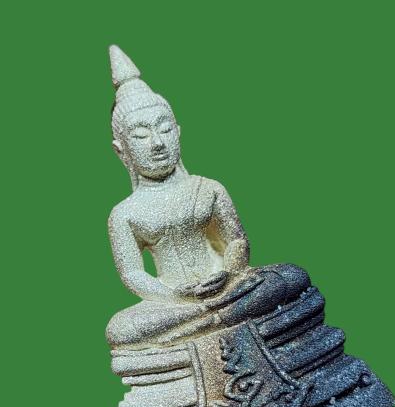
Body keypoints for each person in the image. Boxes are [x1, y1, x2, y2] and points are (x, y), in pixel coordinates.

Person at [106, 46, 309, 349]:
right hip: (174, 302)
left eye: (164, 130)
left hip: (227, 287)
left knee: (290, 276)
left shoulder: (208, 188)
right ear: (121, 150)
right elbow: (133, 273)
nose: (157, 143)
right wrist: (175, 295)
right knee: (121, 329)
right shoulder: (125, 214)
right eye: (141, 136)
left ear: (178, 133)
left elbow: (236, 240)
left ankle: (206, 322)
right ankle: (217, 319)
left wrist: (228, 272)